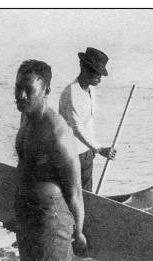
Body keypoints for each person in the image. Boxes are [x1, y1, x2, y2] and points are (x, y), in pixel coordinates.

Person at [13, 59, 87, 261]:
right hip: (28, 216)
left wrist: (79, 231)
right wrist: (15, 214)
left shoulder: (58, 131)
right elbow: (23, 169)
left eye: (28, 90)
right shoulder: (26, 121)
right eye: (17, 88)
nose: (20, 95)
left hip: (52, 216)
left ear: (46, 91)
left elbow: (74, 190)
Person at [59, 47, 116, 191]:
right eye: (95, 72)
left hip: (86, 153)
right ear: (83, 68)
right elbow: (77, 128)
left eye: (100, 73)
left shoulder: (91, 90)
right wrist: (100, 148)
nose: (99, 77)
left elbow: (88, 124)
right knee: (74, 196)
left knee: (87, 195)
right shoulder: (72, 92)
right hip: (71, 155)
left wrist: (92, 150)